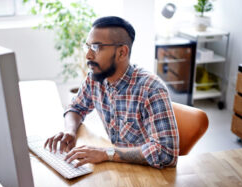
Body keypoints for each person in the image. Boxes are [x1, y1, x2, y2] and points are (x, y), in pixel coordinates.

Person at [44, 16, 179, 169]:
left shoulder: (151, 90)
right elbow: (76, 108)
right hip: (118, 170)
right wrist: (70, 131)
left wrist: (106, 153)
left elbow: (166, 154)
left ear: (122, 52)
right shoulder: (95, 79)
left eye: (96, 47)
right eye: (88, 46)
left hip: (148, 177)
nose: (88, 55)